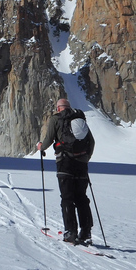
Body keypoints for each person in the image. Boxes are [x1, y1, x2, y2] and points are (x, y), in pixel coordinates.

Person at [37, 98, 95, 243]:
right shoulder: (79, 118)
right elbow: (91, 141)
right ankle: (86, 231)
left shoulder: (56, 119)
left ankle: (71, 231)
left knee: (67, 198)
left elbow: (49, 139)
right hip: (81, 163)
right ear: (69, 107)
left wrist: (40, 147)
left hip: (65, 163)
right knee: (81, 197)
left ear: (58, 108)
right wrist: (85, 158)